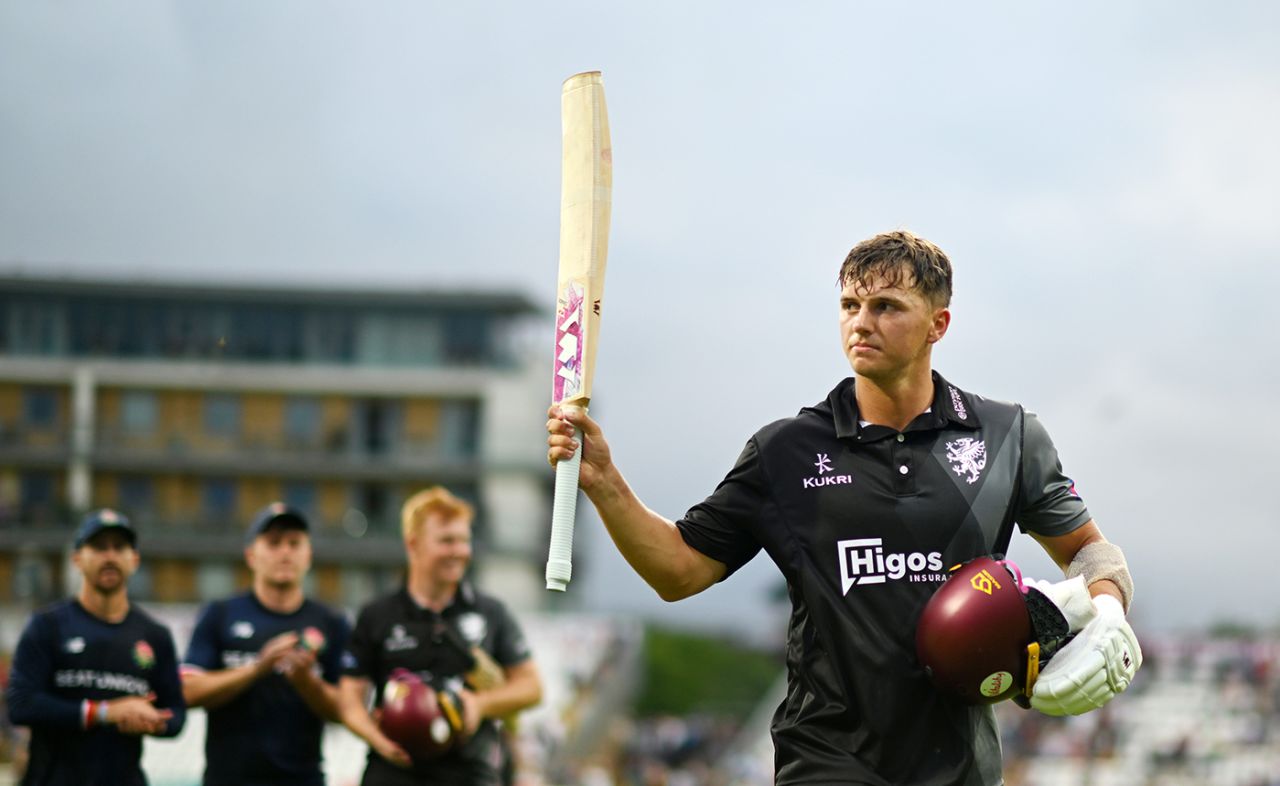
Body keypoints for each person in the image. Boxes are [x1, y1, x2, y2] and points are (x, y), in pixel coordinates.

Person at [546, 229, 1143, 785]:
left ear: (939, 324)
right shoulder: (785, 450)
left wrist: (1110, 611)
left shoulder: (1008, 435)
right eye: (849, 306)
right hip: (826, 761)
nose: (862, 323)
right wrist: (603, 481)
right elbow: (676, 571)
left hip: (961, 767)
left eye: (885, 306)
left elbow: (1089, 551)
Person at [337, 486, 543, 786]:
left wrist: (480, 704)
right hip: (393, 770)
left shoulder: (490, 612)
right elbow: (349, 700)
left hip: (469, 771)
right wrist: (378, 740)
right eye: (447, 541)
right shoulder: (377, 615)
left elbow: (531, 687)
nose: (459, 551)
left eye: (464, 540)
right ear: (413, 544)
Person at [4, 508, 186, 786]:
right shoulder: (48, 625)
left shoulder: (155, 635)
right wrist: (104, 712)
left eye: (119, 547)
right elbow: (21, 704)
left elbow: (176, 713)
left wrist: (155, 722)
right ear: (77, 558)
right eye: (99, 547)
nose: (110, 556)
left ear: (134, 560)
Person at [181, 502, 351, 786]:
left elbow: (346, 711)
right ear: (251, 555)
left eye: (294, 543)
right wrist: (257, 668)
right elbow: (187, 691)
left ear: (308, 555)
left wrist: (307, 682)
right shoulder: (221, 614)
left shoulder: (331, 622)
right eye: (273, 543)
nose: (285, 552)